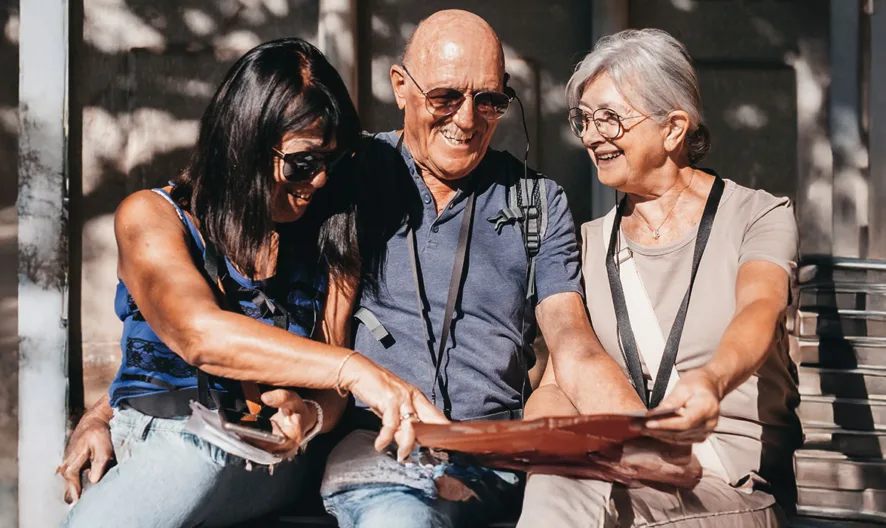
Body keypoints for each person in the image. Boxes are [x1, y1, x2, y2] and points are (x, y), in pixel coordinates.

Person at [60, 37, 444, 528]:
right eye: (303, 162)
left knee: (199, 460)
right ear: (243, 144)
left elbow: (328, 384)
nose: (321, 180)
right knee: (187, 457)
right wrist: (355, 369)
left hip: (263, 456)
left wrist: (310, 415)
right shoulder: (154, 218)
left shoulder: (329, 237)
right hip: (168, 440)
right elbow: (198, 335)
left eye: (335, 160)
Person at [317, 10, 649, 528]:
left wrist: (648, 443)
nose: (468, 121)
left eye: (489, 100)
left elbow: (573, 344)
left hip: (491, 462)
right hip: (375, 444)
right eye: (446, 98)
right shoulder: (349, 177)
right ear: (400, 87)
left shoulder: (539, 201)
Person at [517, 28, 801, 527]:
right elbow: (560, 376)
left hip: (726, 481)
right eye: (583, 120)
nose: (590, 136)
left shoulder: (756, 215)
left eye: (609, 118)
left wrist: (712, 380)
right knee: (558, 479)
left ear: (673, 129)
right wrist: (544, 426)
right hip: (622, 467)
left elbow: (760, 308)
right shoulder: (583, 245)